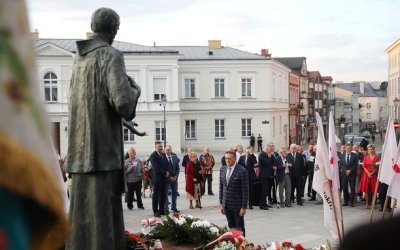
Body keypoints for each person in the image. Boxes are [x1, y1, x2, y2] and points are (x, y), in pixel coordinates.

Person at [64, 8, 141, 250]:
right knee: (104, 218)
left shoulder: (78, 59)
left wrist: (122, 122)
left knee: (81, 217)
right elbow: (124, 104)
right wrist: (135, 91)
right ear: (113, 29)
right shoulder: (111, 55)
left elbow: (85, 103)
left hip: (79, 153)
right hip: (103, 154)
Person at [219, 150, 249, 236]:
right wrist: (221, 204)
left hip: (237, 206)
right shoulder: (222, 169)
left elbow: (245, 190)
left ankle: (242, 245)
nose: (227, 160)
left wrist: (244, 207)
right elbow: (221, 187)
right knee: (231, 226)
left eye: (229, 158)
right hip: (227, 205)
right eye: (226, 158)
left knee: (239, 227)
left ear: (235, 159)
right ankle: (234, 244)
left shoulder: (242, 171)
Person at [149, 141, 169, 217]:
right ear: (155, 147)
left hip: (164, 178)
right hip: (157, 179)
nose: (161, 148)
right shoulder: (153, 156)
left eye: (161, 146)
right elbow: (156, 167)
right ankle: (155, 211)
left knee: (163, 195)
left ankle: (161, 210)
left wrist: (167, 172)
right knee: (156, 195)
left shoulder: (163, 155)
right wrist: (165, 173)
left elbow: (167, 164)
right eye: (159, 146)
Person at [359, 144, 380, 208]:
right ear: (367, 150)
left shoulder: (377, 157)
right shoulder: (366, 157)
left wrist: (372, 173)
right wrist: (368, 173)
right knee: (366, 190)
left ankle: (373, 204)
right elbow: (364, 166)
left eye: (371, 149)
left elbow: (378, 167)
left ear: (374, 149)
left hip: (374, 175)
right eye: (369, 149)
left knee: (374, 190)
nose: (370, 150)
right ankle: (367, 203)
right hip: (366, 175)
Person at [258, 145, 276, 210]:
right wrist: (269, 157)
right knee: (264, 190)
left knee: (266, 190)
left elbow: (274, 162)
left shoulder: (268, 155)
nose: (270, 151)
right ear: (266, 149)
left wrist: (271, 157)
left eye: (271, 150)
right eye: (269, 150)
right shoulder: (261, 155)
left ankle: (264, 203)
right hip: (263, 175)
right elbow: (267, 163)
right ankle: (261, 205)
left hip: (268, 175)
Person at [164, 145, 180, 213]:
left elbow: (177, 168)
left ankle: (174, 207)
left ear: (171, 150)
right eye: (166, 150)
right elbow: (163, 169)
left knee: (174, 193)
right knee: (166, 193)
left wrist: (175, 176)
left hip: (174, 179)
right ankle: (166, 208)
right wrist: (169, 177)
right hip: (166, 179)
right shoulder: (163, 158)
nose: (168, 151)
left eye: (169, 150)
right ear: (165, 151)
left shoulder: (175, 157)